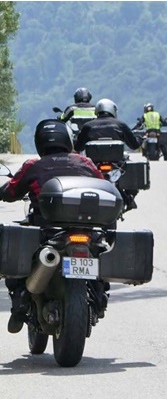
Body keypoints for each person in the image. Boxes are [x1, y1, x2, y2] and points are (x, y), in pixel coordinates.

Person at [1, 119, 105, 333]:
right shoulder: (86, 163)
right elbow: (104, 186)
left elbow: (11, 192)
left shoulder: (34, 166)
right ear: (67, 140)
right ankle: (100, 292)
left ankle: (20, 302)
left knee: (18, 247)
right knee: (101, 249)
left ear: (40, 142)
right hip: (86, 229)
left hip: (47, 230)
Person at [75, 99, 142, 210]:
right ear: (112, 110)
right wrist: (139, 139)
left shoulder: (88, 126)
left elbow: (78, 147)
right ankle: (129, 198)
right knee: (132, 170)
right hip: (117, 164)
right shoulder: (120, 124)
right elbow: (134, 145)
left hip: (94, 165)